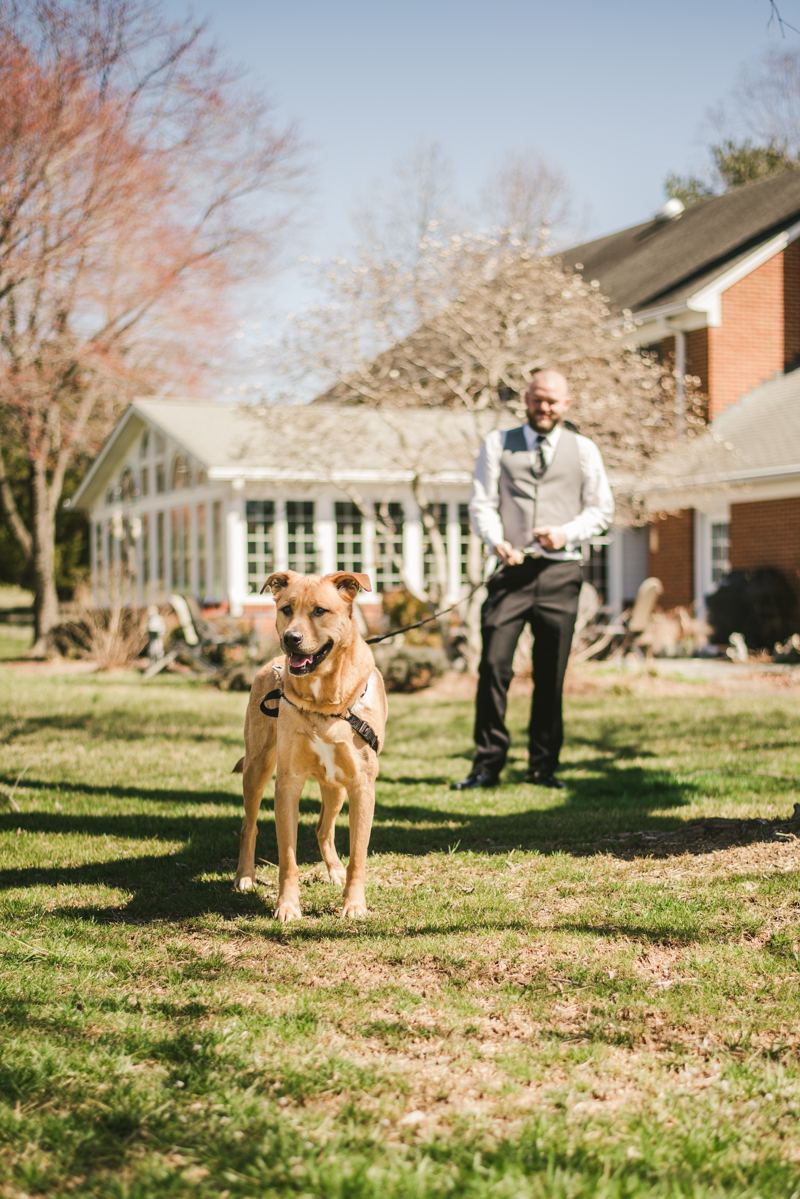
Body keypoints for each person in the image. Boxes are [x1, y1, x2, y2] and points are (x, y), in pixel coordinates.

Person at [451, 369, 613, 791]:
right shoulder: (497, 444)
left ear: (566, 404)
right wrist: (496, 540)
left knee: (550, 673)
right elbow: (482, 503)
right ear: (526, 398)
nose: (544, 408)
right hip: (511, 570)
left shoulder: (583, 450)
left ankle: (543, 767)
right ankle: (486, 766)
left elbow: (601, 510)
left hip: (561, 572)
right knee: (493, 667)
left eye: (553, 402)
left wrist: (566, 533)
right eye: (538, 399)